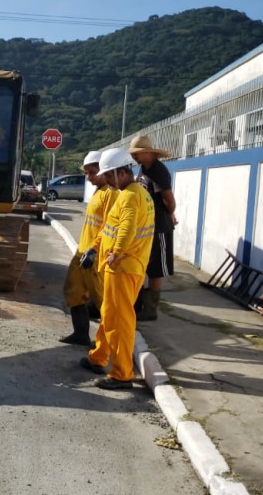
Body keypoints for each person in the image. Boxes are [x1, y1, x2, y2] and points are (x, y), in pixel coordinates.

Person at [79, 147, 154, 390]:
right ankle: (99, 357)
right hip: (123, 266)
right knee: (110, 315)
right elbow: (111, 226)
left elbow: (126, 229)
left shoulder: (131, 196)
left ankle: (122, 374)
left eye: (110, 175)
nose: (107, 181)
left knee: (119, 321)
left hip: (122, 267)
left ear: (123, 172)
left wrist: (115, 253)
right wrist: (95, 247)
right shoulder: (134, 193)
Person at [59, 150, 118, 347]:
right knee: (73, 291)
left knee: (103, 302)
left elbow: (110, 228)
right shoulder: (98, 192)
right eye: (87, 173)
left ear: (104, 171)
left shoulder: (111, 194)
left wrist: (95, 251)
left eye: (92, 172)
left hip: (96, 256)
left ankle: (111, 345)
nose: (88, 177)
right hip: (82, 253)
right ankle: (81, 334)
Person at [128, 135, 176, 321]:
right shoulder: (143, 169)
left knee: (156, 268)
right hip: (146, 226)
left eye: (138, 154)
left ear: (149, 153)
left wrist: (169, 214)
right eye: (133, 154)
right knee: (143, 264)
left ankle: (150, 310)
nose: (135, 157)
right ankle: (139, 305)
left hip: (159, 227)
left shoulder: (158, 171)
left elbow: (169, 199)